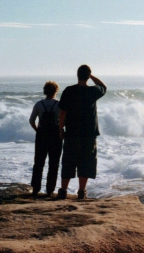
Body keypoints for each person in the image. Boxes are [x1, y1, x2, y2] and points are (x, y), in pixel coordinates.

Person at [56, 65, 106, 200]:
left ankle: (63, 191)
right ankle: (81, 192)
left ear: (77, 75)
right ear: (88, 76)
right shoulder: (92, 91)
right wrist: (91, 76)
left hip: (71, 132)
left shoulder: (69, 91)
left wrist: (61, 129)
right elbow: (103, 86)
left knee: (68, 161)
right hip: (89, 133)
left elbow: (62, 112)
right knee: (86, 161)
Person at [29, 81, 62, 197]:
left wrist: (37, 129)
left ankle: (35, 188)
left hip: (41, 135)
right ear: (56, 91)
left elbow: (31, 121)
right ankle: (50, 190)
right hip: (55, 136)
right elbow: (64, 121)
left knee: (38, 162)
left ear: (44, 91)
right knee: (54, 163)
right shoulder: (59, 104)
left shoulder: (39, 104)